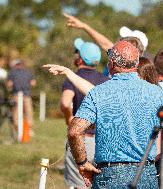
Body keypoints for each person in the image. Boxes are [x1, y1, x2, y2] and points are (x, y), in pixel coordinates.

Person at [67, 40, 163, 188]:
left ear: (111, 63)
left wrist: (82, 163)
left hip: (109, 175)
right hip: (145, 173)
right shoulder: (155, 92)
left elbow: (74, 131)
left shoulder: (98, 93)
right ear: (136, 64)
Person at [61, 38, 109, 189]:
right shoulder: (106, 80)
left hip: (82, 140)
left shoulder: (73, 79)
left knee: (80, 185)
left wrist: (69, 117)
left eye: (77, 52)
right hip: (103, 141)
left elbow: (65, 102)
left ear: (80, 58)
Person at [6, 59, 36, 140]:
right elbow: (33, 83)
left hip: (16, 95)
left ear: (15, 65)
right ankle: (29, 130)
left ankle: (18, 130)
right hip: (27, 95)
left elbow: (9, 84)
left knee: (15, 114)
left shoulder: (12, 72)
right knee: (28, 113)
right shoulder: (28, 72)